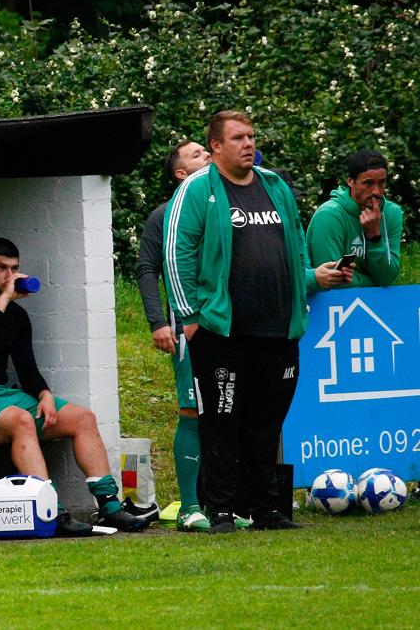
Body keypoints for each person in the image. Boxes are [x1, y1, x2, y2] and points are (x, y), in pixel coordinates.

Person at [163, 110, 347, 534]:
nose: (249, 144)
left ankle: (266, 510)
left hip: (278, 329)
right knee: (221, 423)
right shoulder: (197, 189)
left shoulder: (275, 186)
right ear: (216, 147)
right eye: (238, 138)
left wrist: (304, 285)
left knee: (266, 426)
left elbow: (297, 246)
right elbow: (176, 254)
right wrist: (190, 318)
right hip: (222, 332)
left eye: (251, 136)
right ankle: (222, 512)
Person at [0, 238, 147, 536]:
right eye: (1, 268)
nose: (10, 276)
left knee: (81, 417)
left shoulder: (16, 316)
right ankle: (51, 512)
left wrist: (44, 394)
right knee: (21, 420)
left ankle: (110, 506)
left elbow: (27, 368)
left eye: (15, 269)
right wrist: (4, 300)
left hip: (2, 394)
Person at [136, 139, 213, 532]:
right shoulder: (164, 215)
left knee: (232, 412)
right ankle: (191, 506)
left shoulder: (231, 208)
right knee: (193, 409)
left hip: (235, 324)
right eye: (198, 154)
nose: (208, 156)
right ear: (181, 174)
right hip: (188, 326)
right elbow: (147, 269)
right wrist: (157, 323)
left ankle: (228, 503)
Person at [306, 148, 403, 288]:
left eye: (381, 183)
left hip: (376, 305)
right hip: (333, 306)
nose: (376, 191)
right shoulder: (329, 214)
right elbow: (331, 282)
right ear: (351, 181)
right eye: (368, 183)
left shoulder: (392, 213)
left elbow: (387, 278)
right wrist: (372, 283)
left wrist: (374, 236)